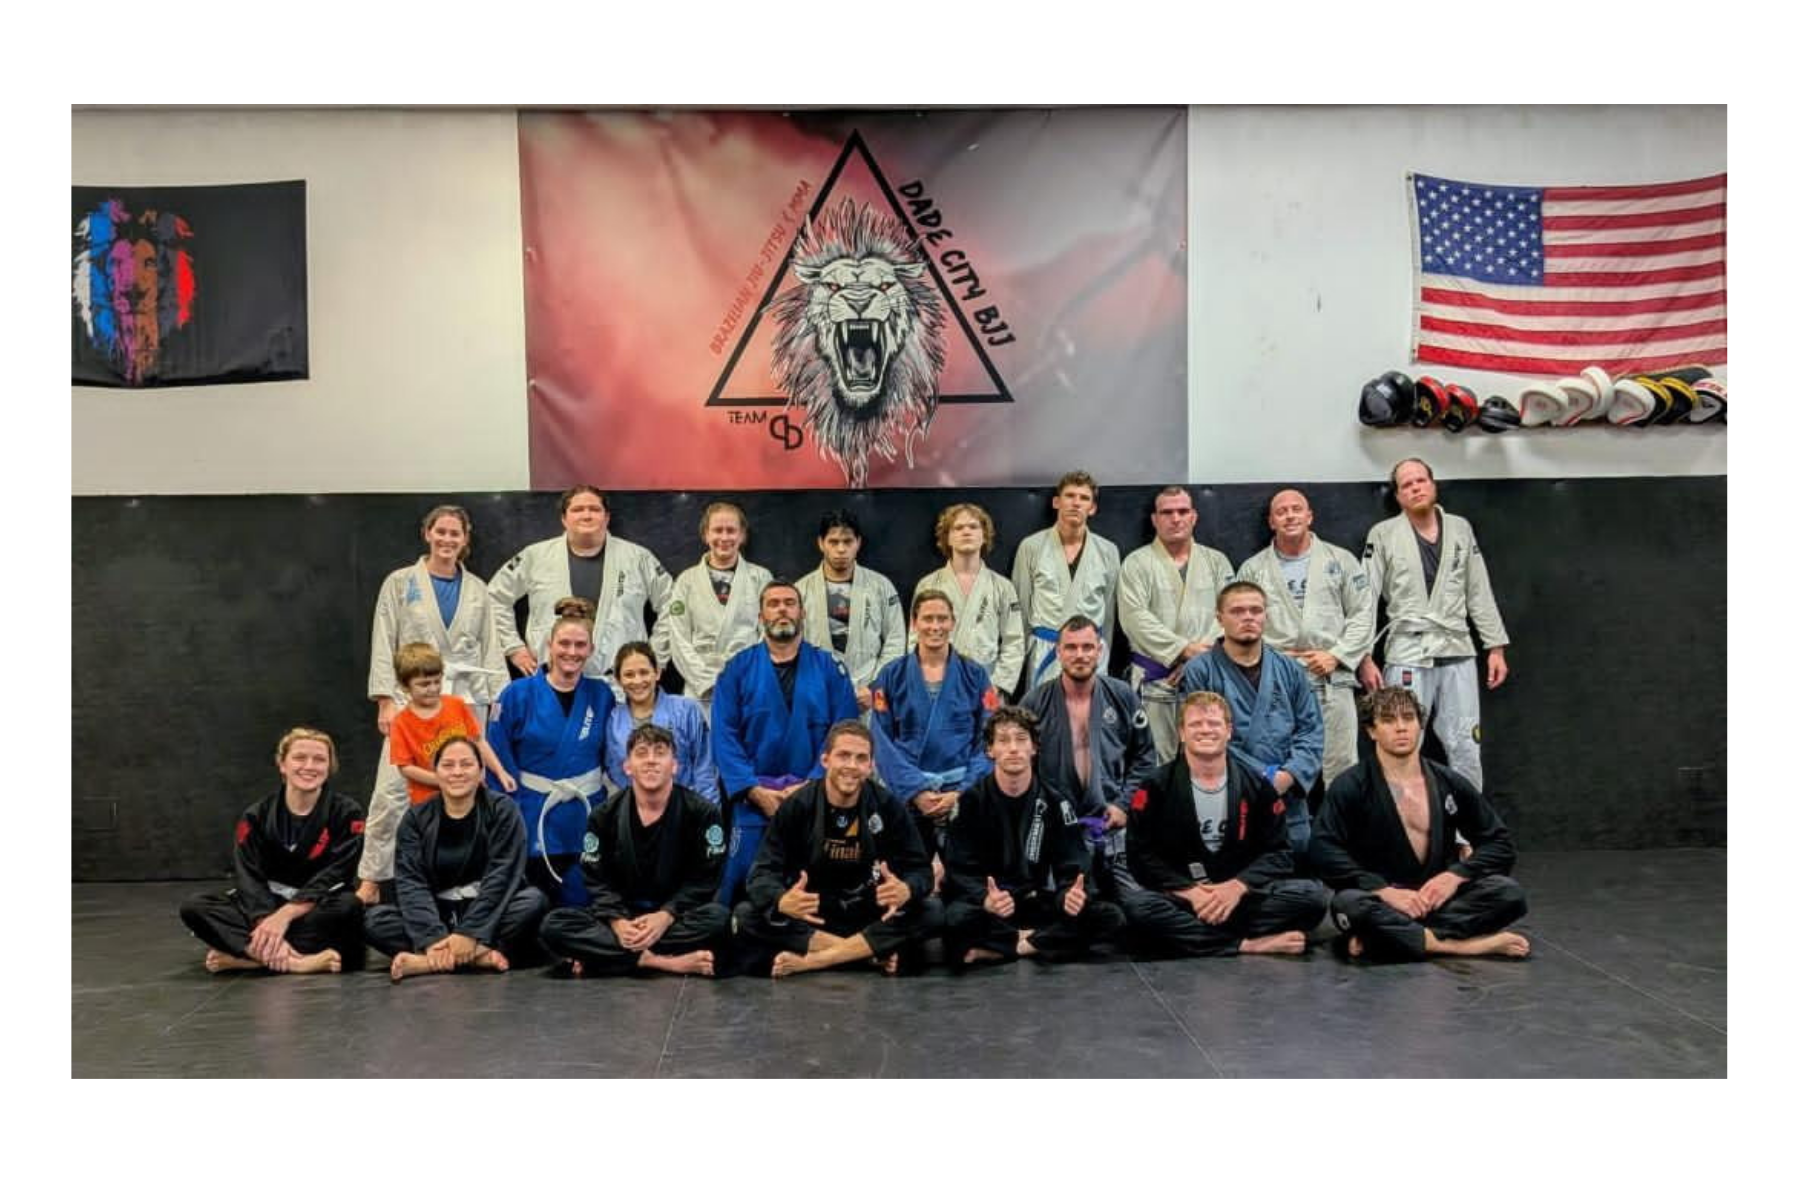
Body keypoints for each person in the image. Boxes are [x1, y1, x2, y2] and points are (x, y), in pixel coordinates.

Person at [1313, 687, 1531, 962]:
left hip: (1435, 901)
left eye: (1408, 718)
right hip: (1383, 901)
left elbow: (1500, 843)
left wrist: (1455, 876)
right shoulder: (1352, 785)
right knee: (1348, 905)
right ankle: (1455, 946)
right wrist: (1383, 891)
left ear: (1420, 725)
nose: (1401, 727)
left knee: (1509, 893)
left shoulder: (1448, 782)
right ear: (1371, 731)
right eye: (1389, 720)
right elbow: (1322, 850)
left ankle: (1389, 938)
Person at [359, 504, 509, 895]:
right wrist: (384, 699)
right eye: (440, 532)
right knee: (393, 788)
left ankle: (460, 872)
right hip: (412, 697)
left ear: (465, 539)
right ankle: (373, 876)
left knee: (462, 786)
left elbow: (491, 642)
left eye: (454, 534)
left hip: (463, 696)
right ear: (427, 533)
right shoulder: (400, 582)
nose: (447, 540)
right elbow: (384, 638)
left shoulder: (477, 588)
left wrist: (496, 693)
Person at [1121, 693, 1327, 957]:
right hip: (1186, 898)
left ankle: (1196, 938)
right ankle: (1246, 944)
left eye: (1214, 723)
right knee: (1138, 906)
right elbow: (1140, 857)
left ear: (1229, 731)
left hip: (1240, 897)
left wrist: (1237, 887)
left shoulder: (1257, 785)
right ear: (1181, 732)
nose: (1205, 730)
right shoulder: (1155, 786)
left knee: (1313, 897)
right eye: (1196, 724)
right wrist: (1193, 893)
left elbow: (1280, 853)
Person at [735, 721, 935, 978]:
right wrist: (782, 899)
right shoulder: (797, 806)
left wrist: (905, 889)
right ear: (825, 760)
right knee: (745, 915)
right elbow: (761, 873)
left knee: (933, 912)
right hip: (813, 914)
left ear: (871, 766)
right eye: (843, 755)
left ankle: (817, 961)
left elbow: (921, 871)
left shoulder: (888, 806)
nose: (852, 766)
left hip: (869, 913)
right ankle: (867, 955)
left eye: (861, 758)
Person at [1358, 459, 1511, 789]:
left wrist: (1494, 647)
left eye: (1420, 480)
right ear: (1398, 496)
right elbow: (1366, 599)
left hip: (1457, 648)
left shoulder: (1460, 528)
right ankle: (1402, 828)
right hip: (1406, 650)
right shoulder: (1382, 534)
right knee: (1400, 742)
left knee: (1466, 744)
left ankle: (1468, 830)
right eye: (1406, 485)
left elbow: (1478, 589)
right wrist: (1365, 657)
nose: (1415, 488)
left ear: (1433, 484)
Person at [710, 580, 860, 905]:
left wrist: (812, 785)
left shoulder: (830, 668)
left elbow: (846, 734)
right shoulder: (737, 669)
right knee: (741, 887)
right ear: (761, 615)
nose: (782, 610)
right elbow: (723, 736)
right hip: (754, 799)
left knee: (817, 886)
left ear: (802, 612)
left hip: (816, 798)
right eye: (774, 604)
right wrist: (752, 789)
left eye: (790, 603)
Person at [539, 725, 731, 977]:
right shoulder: (603, 815)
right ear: (627, 766)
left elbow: (705, 879)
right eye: (641, 753)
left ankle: (603, 960)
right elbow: (596, 879)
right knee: (554, 926)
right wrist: (617, 922)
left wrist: (666, 916)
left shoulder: (703, 813)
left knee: (720, 919)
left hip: (675, 916)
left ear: (675, 765)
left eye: (660, 753)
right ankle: (659, 962)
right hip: (623, 917)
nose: (651, 761)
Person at [940, 707, 1124, 964]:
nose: (1013, 748)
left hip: (1033, 902)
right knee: (954, 919)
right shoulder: (970, 803)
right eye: (1003, 740)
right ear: (990, 751)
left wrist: (1069, 895)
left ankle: (1012, 947)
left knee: (1109, 916)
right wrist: (985, 898)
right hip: (991, 908)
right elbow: (958, 869)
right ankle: (1042, 942)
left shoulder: (1056, 801)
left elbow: (1073, 865)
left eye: (1021, 739)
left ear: (1034, 747)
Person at [179, 727, 366, 975]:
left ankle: (246, 958)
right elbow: (249, 877)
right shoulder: (257, 816)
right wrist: (265, 919)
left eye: (319, 759)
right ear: (282, 764)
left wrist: (285, 916)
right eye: (299, 758)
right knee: (195, 907)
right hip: (267, 905)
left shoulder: (347, 813)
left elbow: (337, 873)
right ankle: (295, 962)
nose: (309, 766)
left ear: (329, 767)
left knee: (348, 906)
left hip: (314, 906)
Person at [363, 736, 549, 980]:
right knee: (375, 920)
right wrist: (432, 937)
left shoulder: (503, 810)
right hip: (438, 913)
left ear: (481, 771)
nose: (457, 772)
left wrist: (469, 932)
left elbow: (502, 875)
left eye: (466, 764)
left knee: (533, 902)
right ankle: (480, 957)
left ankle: (428, 963)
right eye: (448, 765)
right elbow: (411, 883)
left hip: (489, 913)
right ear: (436, 773)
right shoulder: (416, 819)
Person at [1234, 488, 1374, 790]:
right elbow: (1239, 623)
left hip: (1331, 676)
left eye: (1296, 509)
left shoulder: (1341, 560)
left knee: (1341, 766)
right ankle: (1280, 834)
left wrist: (1337, 654)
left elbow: (1363, 612)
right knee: (1275, 762)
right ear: (1271, 521)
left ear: (1310, 516)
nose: (1290, 515)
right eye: (1281, 511)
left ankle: (1341, 836)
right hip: (1275, 679)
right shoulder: (1253, 569)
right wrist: (1269, 661)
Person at [1179, 582, 1324, 858]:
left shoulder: (1290, 670)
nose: (1248, 617)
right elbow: (1203, 735)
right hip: (1227, 793)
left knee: (1297, 880)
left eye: (1256, 610)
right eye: (1237, 611)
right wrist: (1263, 777)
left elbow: (1311, 730)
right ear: (1219, 618)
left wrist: (1288, 775)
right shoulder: (1200, 670)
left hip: (1286, 795)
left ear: (1266, 616)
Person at [485, 598, 615, 906]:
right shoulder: (517, 694)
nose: (572, 652)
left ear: (591, 650)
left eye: (580, 645)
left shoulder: (602, 694)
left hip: (586, 812)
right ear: (549, 645)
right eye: (564, 643)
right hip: (533, 811)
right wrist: (508, 813)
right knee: (536, 904)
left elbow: (613, 755)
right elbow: (497, 755)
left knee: (585, 898)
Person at [1018, 616, 1158, 893]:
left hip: (1111, 824)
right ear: (1058, 652)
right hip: (1056, 829)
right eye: (1071, 647)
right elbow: (1020, 765)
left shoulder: (1122, 696)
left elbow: (1145, 758)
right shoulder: (1034, 702)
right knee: (1057, 907)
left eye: (1087, 647)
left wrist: (1124, 804)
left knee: (1138, 906)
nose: (1079, 655)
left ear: (1100, 650)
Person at [486, 484, 672, 689]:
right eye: (577, 510)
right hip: (552, 682)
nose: (587, 515)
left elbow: (674, 604)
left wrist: (656, 656)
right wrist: (514, 647)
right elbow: (494, 598)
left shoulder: (637, 558)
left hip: (620, 684)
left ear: (607, 517)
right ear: (564, 518)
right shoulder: (535, 556)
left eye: (594, 509)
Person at [869, 589, 997, 866]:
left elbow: (989, 740)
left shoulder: (975, 675)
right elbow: (881, 741)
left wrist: (962, 792)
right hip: (908, 796)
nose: (935, 626)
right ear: (914, 623)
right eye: (928, 619)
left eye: (942, 618)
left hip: (962, 795)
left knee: (967, 875)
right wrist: (916, 791)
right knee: (909, 875)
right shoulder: (891, 675)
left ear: (953, 622)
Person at [1117, 485, 1236, 760]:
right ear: (1155, 519)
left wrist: (1198, 659)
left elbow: (1231, 614)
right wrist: (1183, 650)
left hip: (1207, 676)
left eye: (1183, 511)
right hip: (1156, 678)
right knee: (1157, 763)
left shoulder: (1216, 561)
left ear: (1194, 517)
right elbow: (1134, 618)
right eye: (1167, 512)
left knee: (1208, 757)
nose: (1175, 518)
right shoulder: (1136, 563)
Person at [653, 501, 772, 719]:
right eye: (717, 530)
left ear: (742, 535)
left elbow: (767, 634)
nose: (724, 537)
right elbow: (678, 638)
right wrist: (705, 681)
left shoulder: (761, 578)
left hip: (746, 683)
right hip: (700, 688)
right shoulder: (686, 581)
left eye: (731, 530)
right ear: (705, 535)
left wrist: (740, 676)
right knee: (700, 749)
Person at [1012, 470, 1120, 691]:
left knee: (1089, 719)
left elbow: (1109, 612)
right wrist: (1020, 659)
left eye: (1084, 498)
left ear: (1093, 508)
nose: (1076, 503)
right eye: (1070, 496)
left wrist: (1102, 647)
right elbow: (1021, 607)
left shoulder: (1108, 551)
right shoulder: (1031, 547)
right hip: (1045, 648)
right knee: (1041, 719)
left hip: (1090, 650)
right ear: (1056, 502)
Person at [796, 508, 905, 712]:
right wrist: (810, 685)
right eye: (833, 542)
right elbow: (791, 646)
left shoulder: (881, 586)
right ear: (821, 543)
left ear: (858, 543)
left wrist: (875, 686)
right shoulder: (801, 590)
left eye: (847, 542)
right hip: (817, 693)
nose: (841, 549)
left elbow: (895, 641)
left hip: (868, 694)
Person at [911, 502, 1025, 696]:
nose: (966, 532)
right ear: (947, 537)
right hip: (937, 684)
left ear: (984, 536)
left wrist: (998, 686)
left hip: (987, 685)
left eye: (973, 527)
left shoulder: (1002, 587)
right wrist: (921, 680)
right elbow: (914, 638)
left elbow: (1014, 642)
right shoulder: (928, 584)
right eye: (958, 527)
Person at [603, 641, 717, 803]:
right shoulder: (613, 721)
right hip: (637, 812)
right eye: (629, 674)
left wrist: (708, 816)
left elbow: (705, 768)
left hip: (686, 809)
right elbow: (615, 771)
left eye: (644, 672)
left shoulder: (686, 710)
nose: (637, 681)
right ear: (618, 679)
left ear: (657, 673)